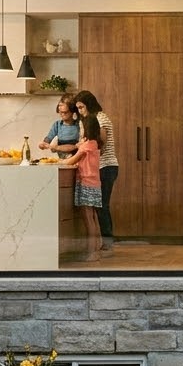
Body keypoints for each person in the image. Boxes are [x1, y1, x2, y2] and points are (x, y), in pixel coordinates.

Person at [72, 90, 118, 251]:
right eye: (78, 108)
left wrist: (84, 146)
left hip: (106, 166)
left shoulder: (100, 117)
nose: (80, 111)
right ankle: (101, 242)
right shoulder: (86, 120)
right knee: (97, 205)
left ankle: (107, 241)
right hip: (97, 167)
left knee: (102, 205)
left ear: (89, 104)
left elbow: (101, 142)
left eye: (82, 107)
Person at [65, 113, 104, 261]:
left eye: (81, 127)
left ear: (86, 129)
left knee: (88, 219)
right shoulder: (94, 144)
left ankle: (92, 253)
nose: (80, 130)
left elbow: (70, 161)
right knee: (93, 217)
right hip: (94, 183)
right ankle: (96, 249)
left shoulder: (87, 146)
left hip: (86, 183)